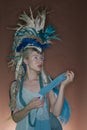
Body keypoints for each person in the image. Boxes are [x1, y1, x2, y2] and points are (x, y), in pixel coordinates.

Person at [8, 8, 74, 130]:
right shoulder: (16, 87)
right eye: (35, 57)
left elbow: (56, 112)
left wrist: (63, 86)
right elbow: (15, 118)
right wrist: (29, 107)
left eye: (41, 58)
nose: (40, 61)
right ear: (25, 60)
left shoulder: (46, 81)